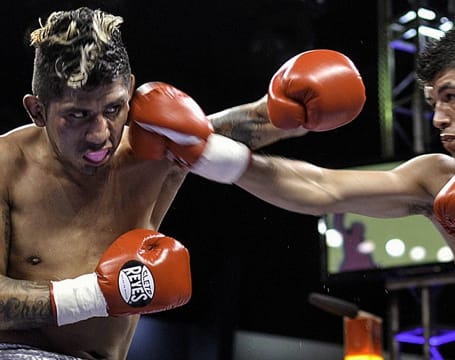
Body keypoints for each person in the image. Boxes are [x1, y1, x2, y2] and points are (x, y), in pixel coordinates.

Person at [130, 24, 455, 358]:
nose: (437, 119)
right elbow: (322, 188)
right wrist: (206, 150)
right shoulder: (439, 178)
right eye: (433, 103)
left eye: (451, 97)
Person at [0, 6, 365, 360]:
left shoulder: (144, 153)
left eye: (113, 109)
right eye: (77, 115)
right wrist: (95, 295)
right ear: (37, 110)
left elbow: (211, 135)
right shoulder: (6, 165)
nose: (100, 134)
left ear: (129, 89)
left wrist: (290, 112)